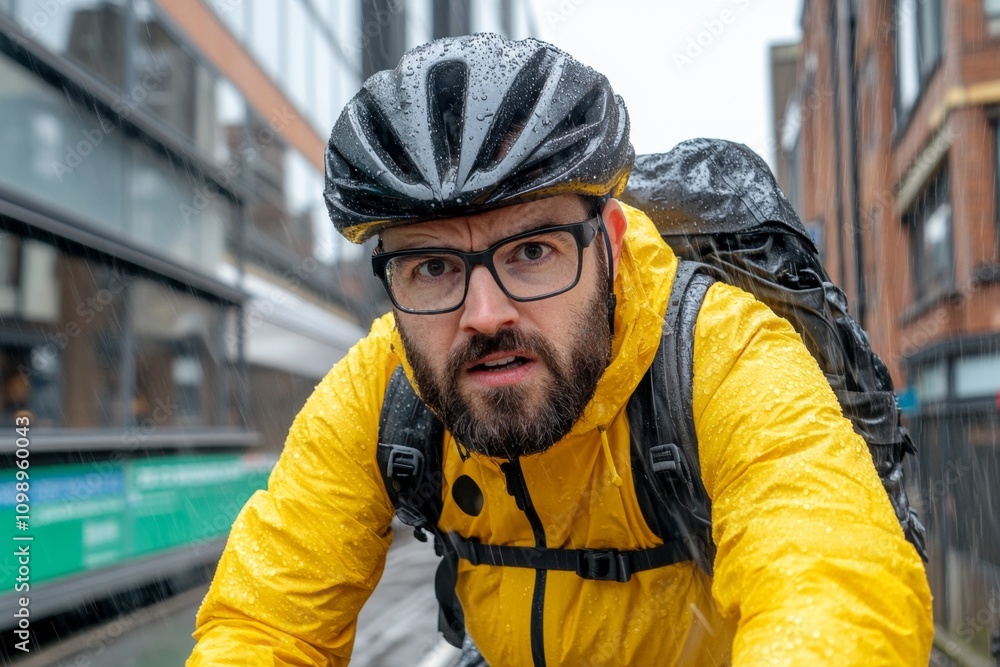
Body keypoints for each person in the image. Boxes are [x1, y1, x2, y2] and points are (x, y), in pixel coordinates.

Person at [188, 33, 933, 666]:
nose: (484, 315)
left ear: (610, 244)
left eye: (532, 251)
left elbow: (834, 590)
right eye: (433, 266)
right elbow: (265, 626)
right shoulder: (384, 385)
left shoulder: (722, 353)